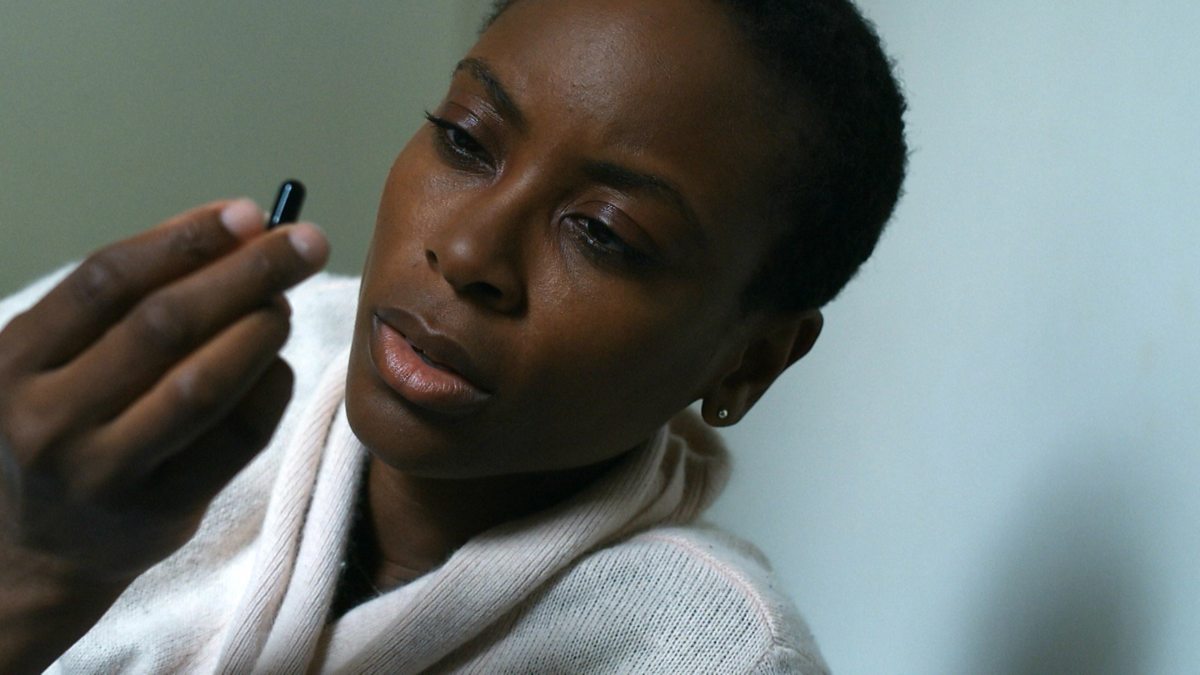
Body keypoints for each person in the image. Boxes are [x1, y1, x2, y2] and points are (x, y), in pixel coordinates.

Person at [0, 0, 906, 671]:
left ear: (750, 361)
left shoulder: (710, 655)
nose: (468, 251)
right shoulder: (126, 388)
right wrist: (34, 560)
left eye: (604, 233)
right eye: (466, 139)